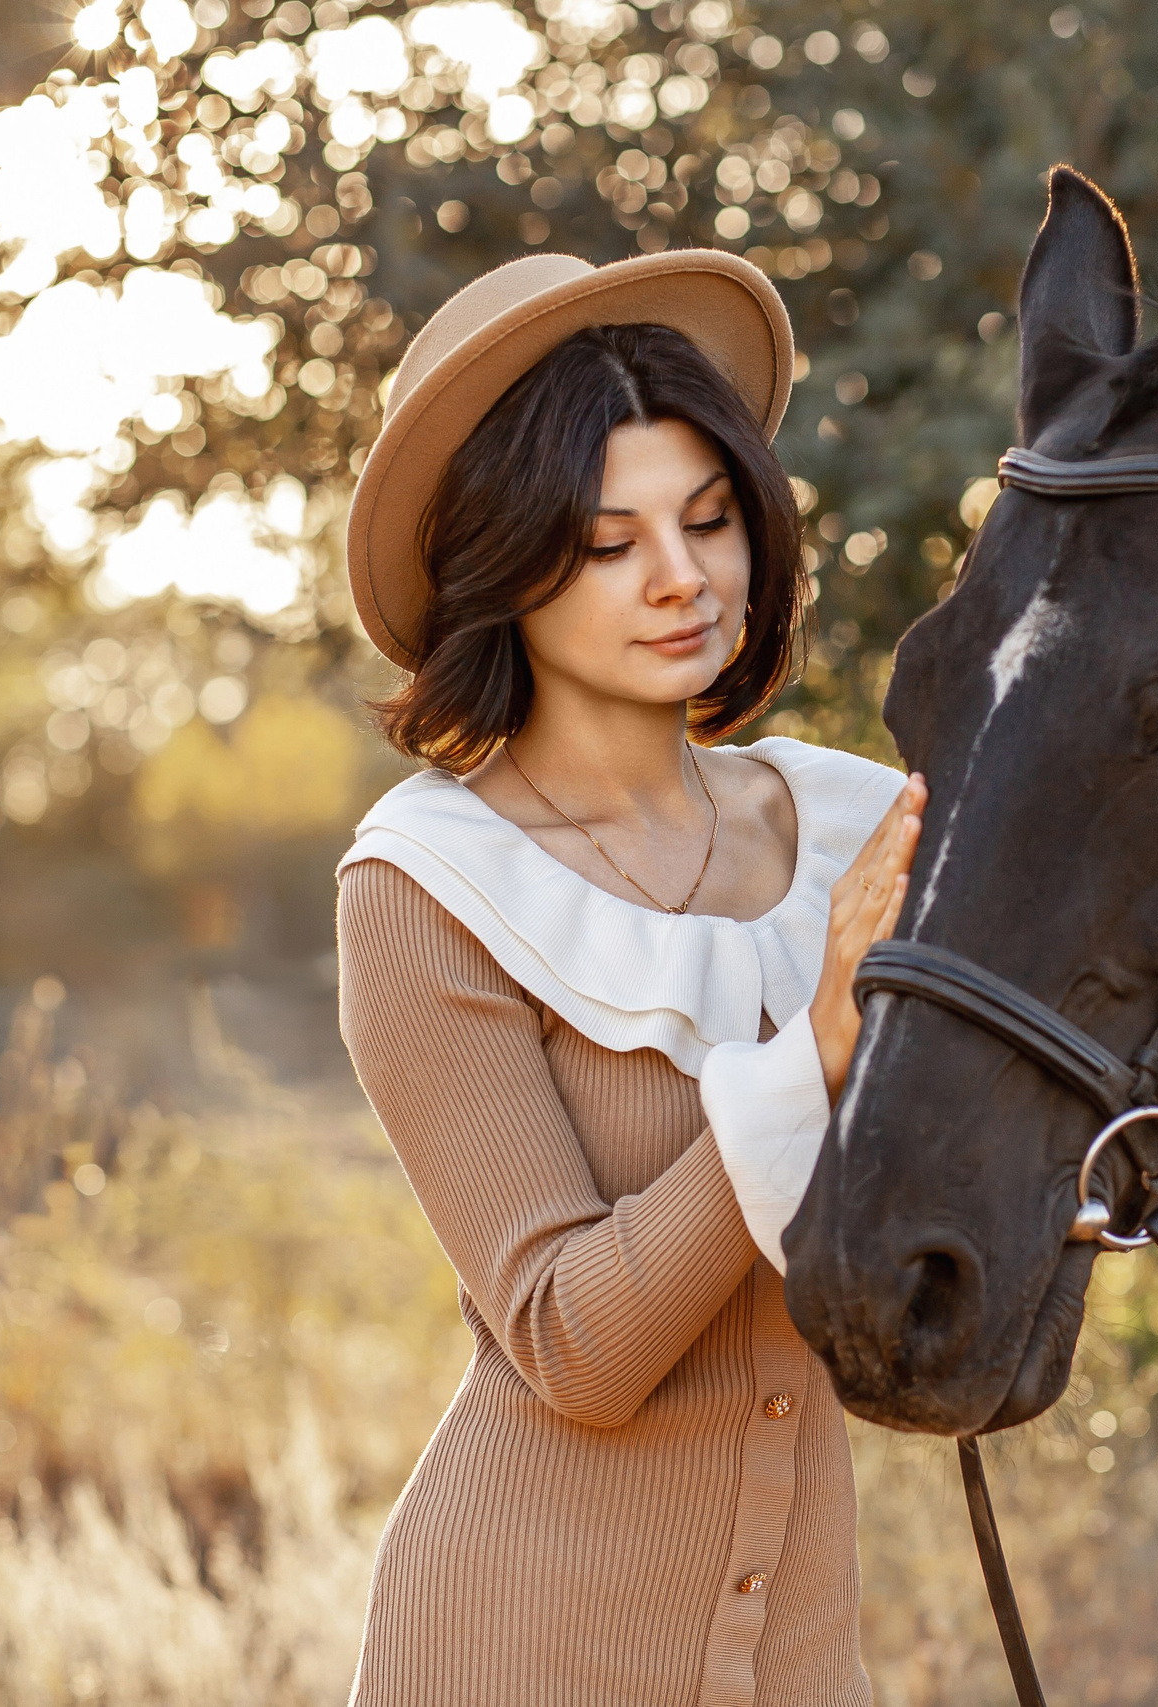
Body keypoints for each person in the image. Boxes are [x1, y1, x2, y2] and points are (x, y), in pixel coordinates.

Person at [331, 249, 928, 1706]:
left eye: (711, 520)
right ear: (502, 566)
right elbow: (572, 1345)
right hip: (518, 1648)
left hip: (799, 1649)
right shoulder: (427, 884)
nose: (682, 579)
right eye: (608, 545)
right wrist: (817, 1054)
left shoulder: (861, 829)